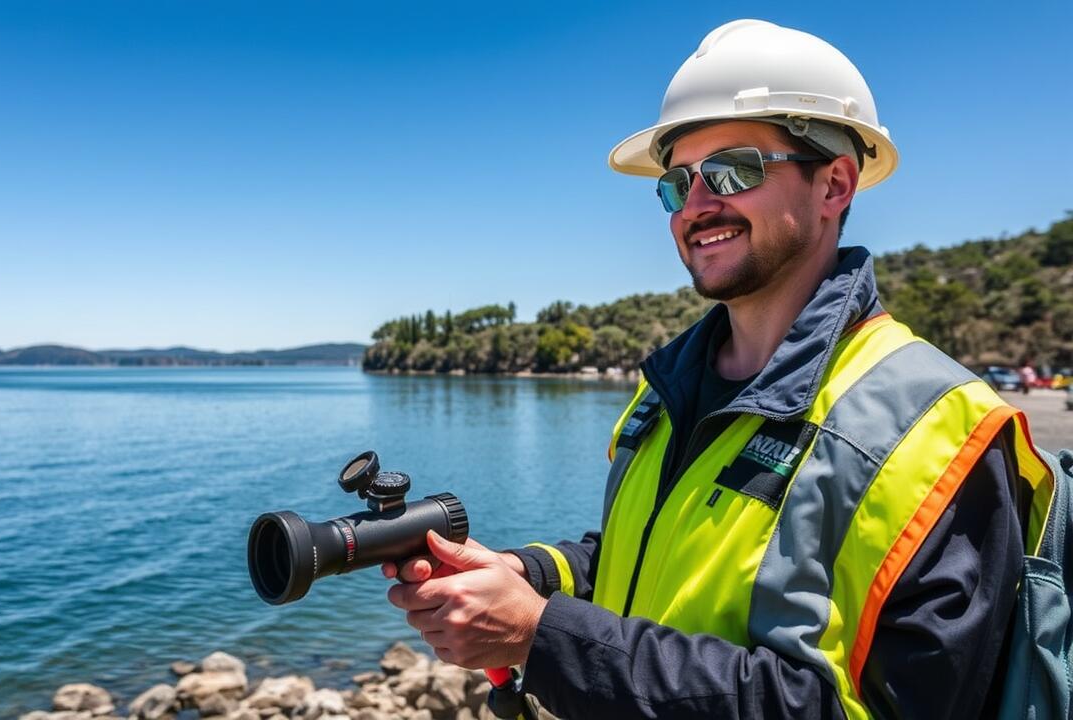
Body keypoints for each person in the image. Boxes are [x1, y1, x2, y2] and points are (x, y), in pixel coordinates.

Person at [382, 19, 1054, 719]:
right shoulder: (668, 387)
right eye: (677, 183)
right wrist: (525, 574)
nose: (698, 205)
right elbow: (640, 560)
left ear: (835, 184)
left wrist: (542, 635)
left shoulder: (941, 429)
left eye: (736, 169)